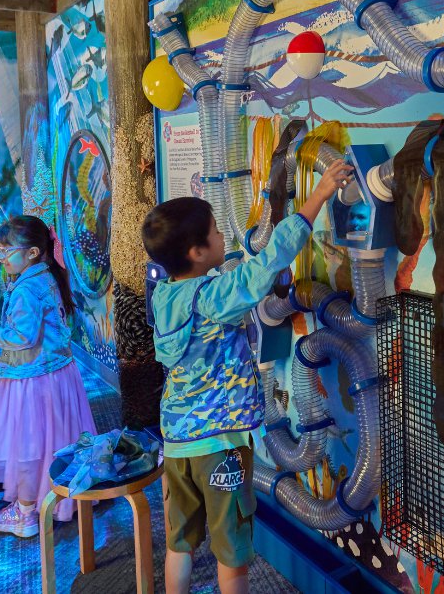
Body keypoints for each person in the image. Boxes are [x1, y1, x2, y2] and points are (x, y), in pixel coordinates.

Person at [142, 159, 354, 594]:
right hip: (219, 444)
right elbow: (262, 270)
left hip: (178, 442)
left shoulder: (165, 293)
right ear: (196, 253)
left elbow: (231, 278)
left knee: (179, 544)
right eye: (217, 232)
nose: (223, 235)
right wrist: (318, 196)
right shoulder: (213, 297)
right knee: (232, 553)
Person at [0, 215, 97, 537]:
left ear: (31, 252)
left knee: (27, 444)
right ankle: (61, 497)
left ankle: (27, 512)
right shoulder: (47, 277)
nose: (1, 258)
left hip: (31, 382)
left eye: (6, 251)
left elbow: (22, 337)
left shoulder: (26, 289)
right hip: (59, 376)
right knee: (56, 441)